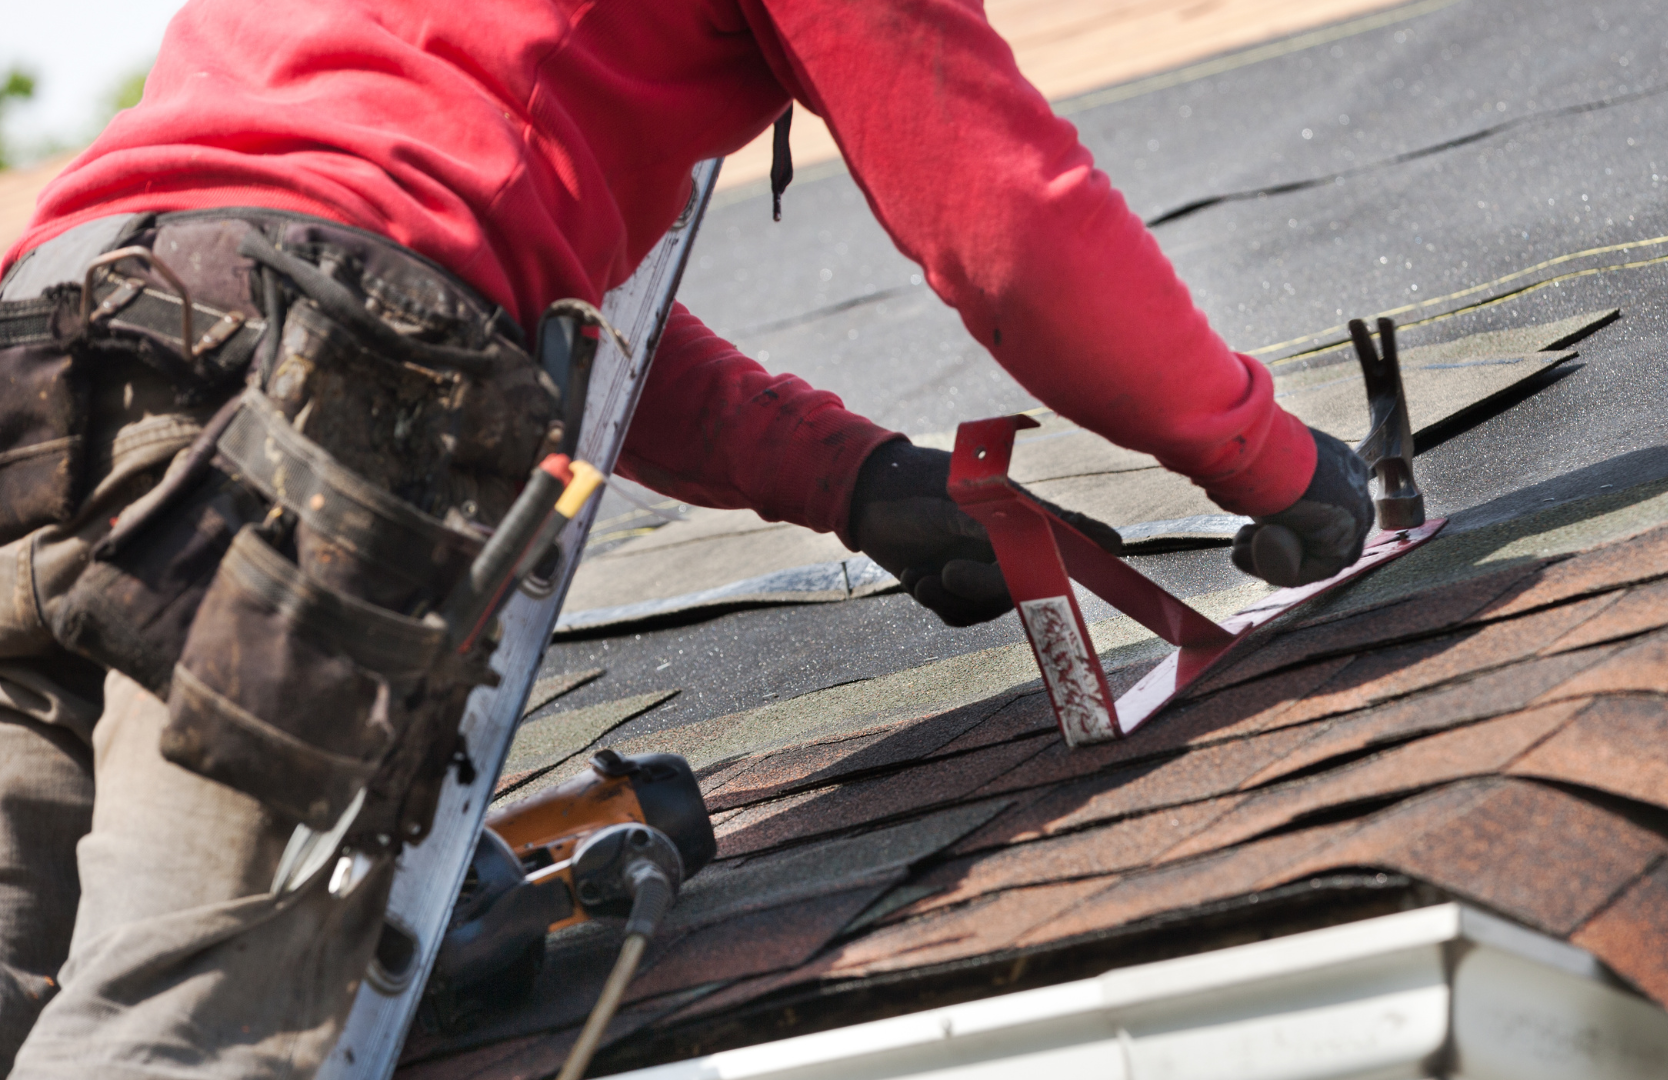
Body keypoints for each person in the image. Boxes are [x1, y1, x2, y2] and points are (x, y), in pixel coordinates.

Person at [0, 0, 1374, 1073]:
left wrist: (853, 477)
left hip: (54, 352)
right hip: (316, 404)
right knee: (185, 1017)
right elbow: (1007, 232)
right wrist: (1266, 458)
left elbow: (463, 272)